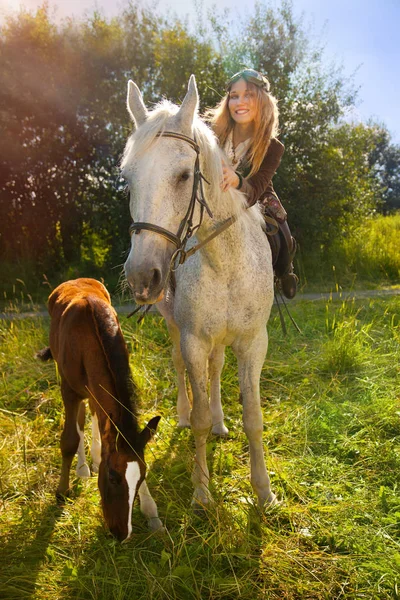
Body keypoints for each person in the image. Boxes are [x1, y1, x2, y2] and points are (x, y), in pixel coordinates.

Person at [207, 68, 298, 299]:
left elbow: (256, 188)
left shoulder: (273, 146)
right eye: (234, 96)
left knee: (283, 233)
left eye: (248, 95)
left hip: (256, 196)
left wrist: (237, 180)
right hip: (213, 194)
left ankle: (286, 271)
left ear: (261, 101)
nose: (240, 102)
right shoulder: (212, 135)